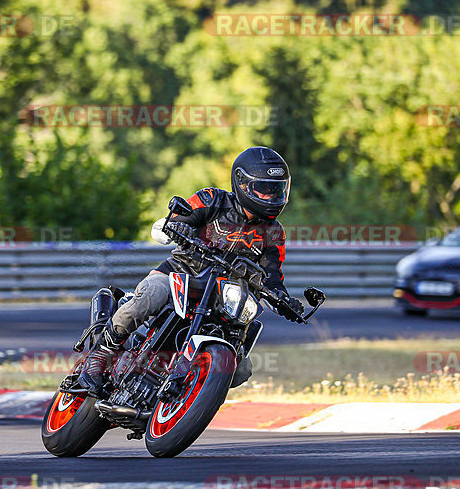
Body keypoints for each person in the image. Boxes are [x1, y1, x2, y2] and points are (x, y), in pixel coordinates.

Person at [78, 146, 304, 396]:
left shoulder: (274, 232)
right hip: (180, 274)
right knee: (151, 294)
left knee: (241, 371)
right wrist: (177, 226)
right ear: (241, 184)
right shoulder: (213, 200)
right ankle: (100, 354)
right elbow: (178, 217)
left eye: (277, 190)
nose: (272, 197)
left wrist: (284, 300)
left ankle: (186, 394)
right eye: (264, 189)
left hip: (222, 298)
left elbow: (272, 275)